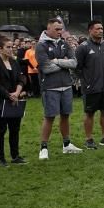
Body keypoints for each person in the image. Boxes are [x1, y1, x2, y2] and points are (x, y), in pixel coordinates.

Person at [35, 17, 83, 160]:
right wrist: (63, 63)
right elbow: (46, 67)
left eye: (61, 29)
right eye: (56, 29)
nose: (59, 31)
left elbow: (74, 63)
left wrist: (56, 61)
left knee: (65, 115)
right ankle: (43, 147)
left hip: (66, 85)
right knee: (49, 117)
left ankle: (66, 144)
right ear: (48, 28)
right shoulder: (41, 45)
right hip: (50, 87)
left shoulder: (63, 43)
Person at [75, 20, 104, 149]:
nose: (100, 31)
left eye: (102, 28)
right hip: (90, 87)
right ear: (90, 30)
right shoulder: (83, 47)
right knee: (90, 113)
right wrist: (85, 81)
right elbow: (77, 67)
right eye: (97, 28)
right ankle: (89, 139)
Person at [0, 34, 27, 166]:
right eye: (8, 47)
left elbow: (22, 78)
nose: (11, 49)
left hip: (14, 101)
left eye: (12, 47)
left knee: (15, 129)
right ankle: (0, 158)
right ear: (0, 49)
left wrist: (17, 92)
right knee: (1, 130)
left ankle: (15, 156)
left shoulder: (14, 62)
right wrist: (9, 96)